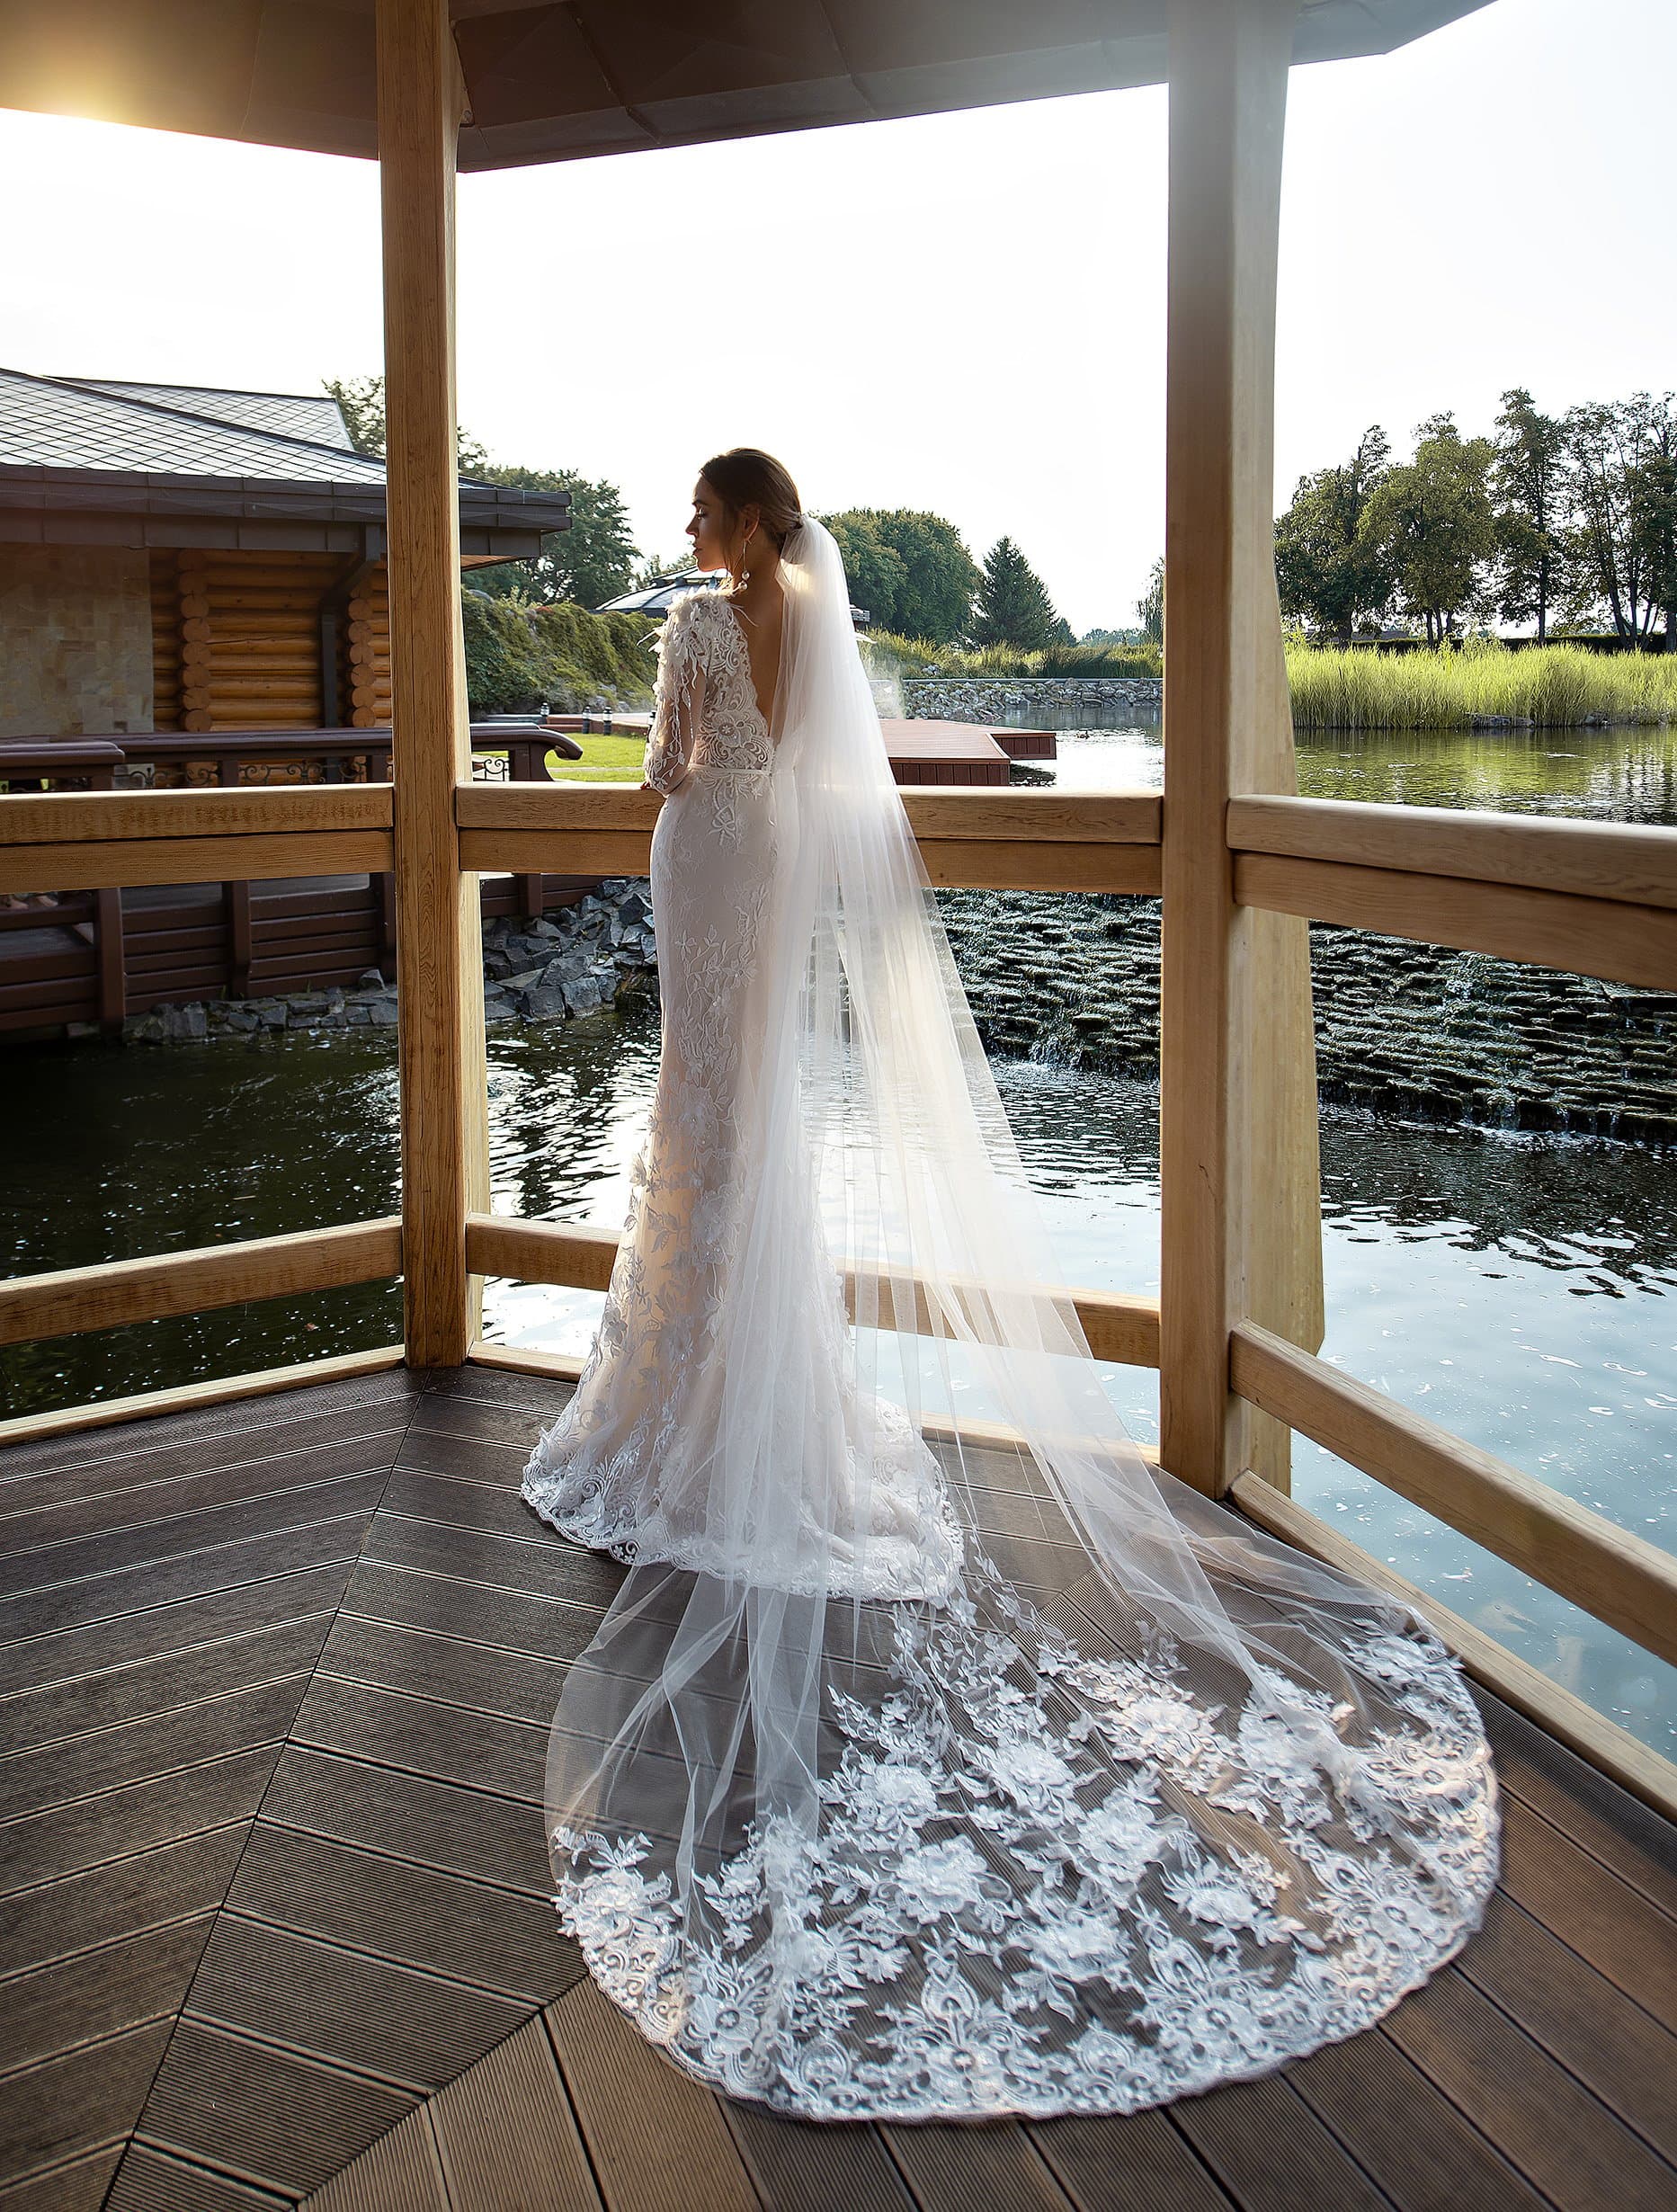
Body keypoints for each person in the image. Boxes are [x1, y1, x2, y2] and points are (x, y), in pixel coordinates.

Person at [521, 449, 1497, 2124]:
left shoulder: (693, 626)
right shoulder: (814, 624)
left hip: (702, 870)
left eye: (701, 509)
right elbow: (812, 777)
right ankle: (740, 1402)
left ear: (742, 526)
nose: (687, 533)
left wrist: (647, 782)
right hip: (767, 881)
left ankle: (667, 1411)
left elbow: (672, 774)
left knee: (691, 1128)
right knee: (750, 1128)